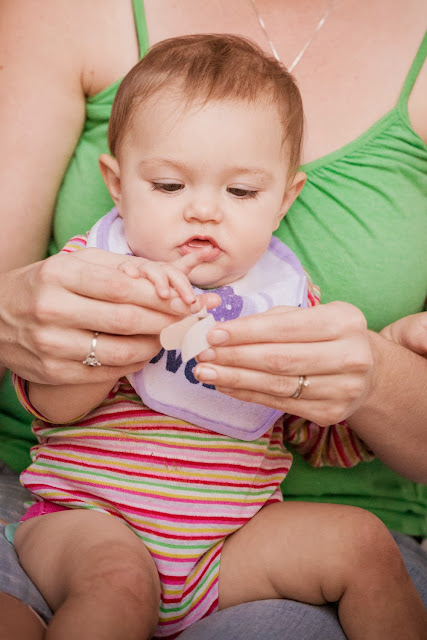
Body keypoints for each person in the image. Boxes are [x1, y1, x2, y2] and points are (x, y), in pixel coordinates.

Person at [0, 1, 426, 638]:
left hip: (228, 541)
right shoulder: (98, 269)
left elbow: (315, 439)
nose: (204, 211)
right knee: (117, 588)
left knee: (363, 545)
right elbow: (52, 405)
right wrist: (121, 340)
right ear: (117, 184)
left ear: (284, 199)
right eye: (170, 187)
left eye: (242, 192)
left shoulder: (289, 301)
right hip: (90, 519)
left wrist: (367, 371)